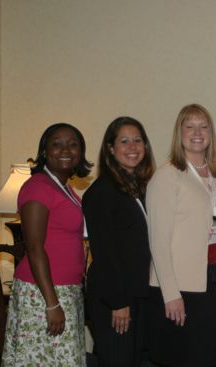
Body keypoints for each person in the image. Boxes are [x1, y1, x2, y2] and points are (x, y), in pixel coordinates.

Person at [147, 104, 216, 366]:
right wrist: (170, 293)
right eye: (190, 126)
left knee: (208, 358)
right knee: (180, 359)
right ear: (179, 133)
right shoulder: (166, 176)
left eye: (203, 126)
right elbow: (158, 241)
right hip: (180, 289)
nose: (197, 132)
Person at [2, 123, 93, 366]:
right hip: (43, 293)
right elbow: (33, 247)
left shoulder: (66, 189)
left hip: (67, 290)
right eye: (57, 143)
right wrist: (52, 303)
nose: (65, 149)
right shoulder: (38, 186)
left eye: (73, 144)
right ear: (44, 151)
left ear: (81, 153)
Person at [82, 116, 155, 366]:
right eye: (124, 141)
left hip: (140, 294)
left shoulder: (142, 188)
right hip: (115, 299)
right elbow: (104, 252)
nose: (132, 147)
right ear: (111, 149)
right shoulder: (101, 192)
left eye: (137, 140)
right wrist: (118, 302)